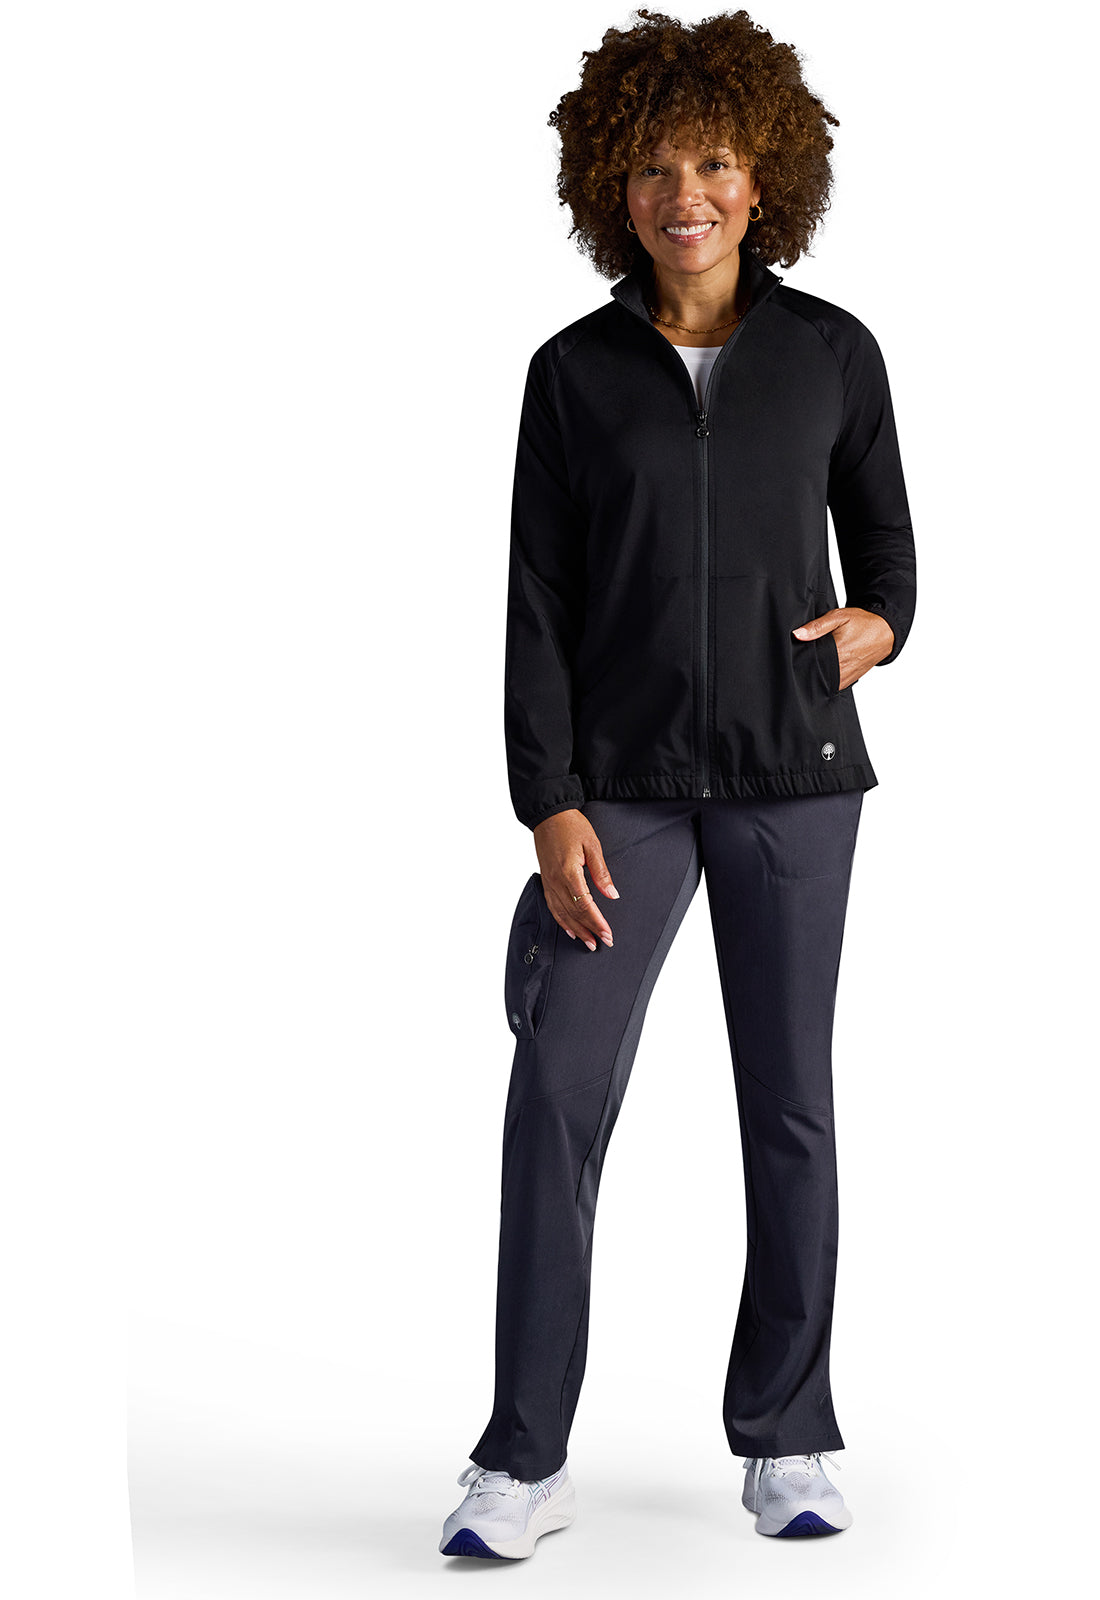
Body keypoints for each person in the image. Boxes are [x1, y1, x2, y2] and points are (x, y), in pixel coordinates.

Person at [439, 6, 916, 1560]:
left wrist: (882, 623)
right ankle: (522, 1458)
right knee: (555, 1098)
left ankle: (788, 1432)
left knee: (789, 1105)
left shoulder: (833, 355)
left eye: (712, 163)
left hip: (795, 779)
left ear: (763, 179)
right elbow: (537, 603)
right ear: (613, 187)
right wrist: (550, 801)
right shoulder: (572, 375)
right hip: (620, 789)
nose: (684, 194)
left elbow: (889, 552)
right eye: (652, 167)